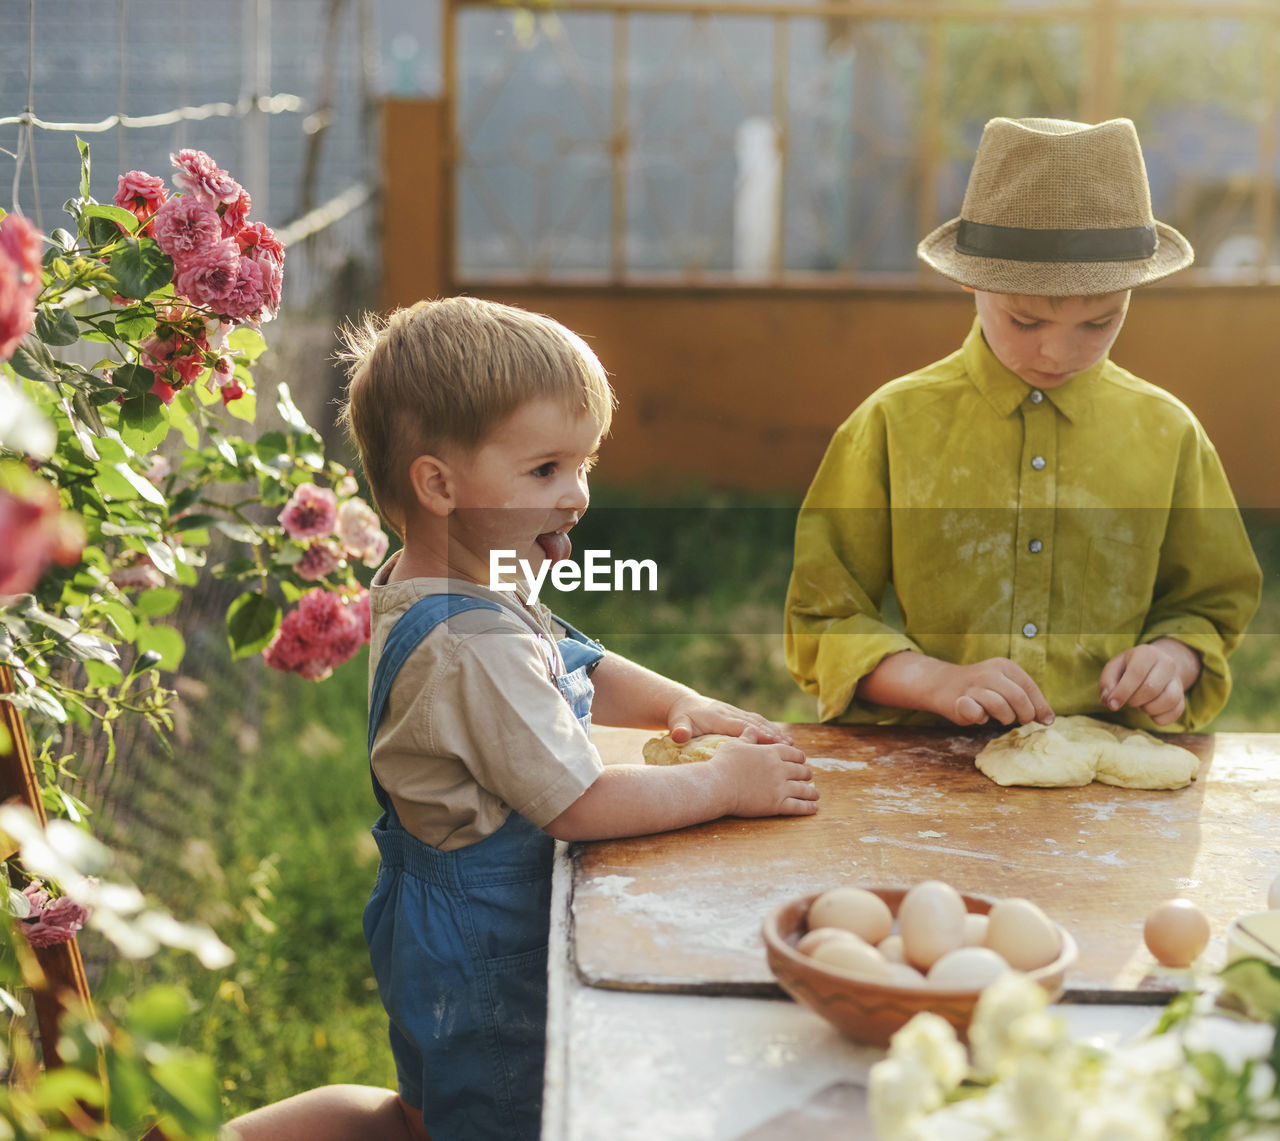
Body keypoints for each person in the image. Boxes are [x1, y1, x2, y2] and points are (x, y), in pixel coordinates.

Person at [334, 296, 819, 1141]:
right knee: (500, 1118)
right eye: (545, 470)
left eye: (584, 462)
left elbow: (572, 657)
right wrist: (723, 783)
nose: (579, 494)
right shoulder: (469, 644)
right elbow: (579, 802)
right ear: (439, 484)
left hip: (443, 925)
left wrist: (680, 704)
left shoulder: (463, 573)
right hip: (484, 951)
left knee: (423, 1113)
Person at [785, 116, 1261, 733]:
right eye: (1026, 321)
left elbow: (1210, 603)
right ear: (969, 278)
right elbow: (822, 620)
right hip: (931, 777)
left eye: (1099, 324)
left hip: (1116, 785)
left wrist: (1174, 660)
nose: (1057, 354)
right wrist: (937, 681)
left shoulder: (1169, 434)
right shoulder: (890, 425)